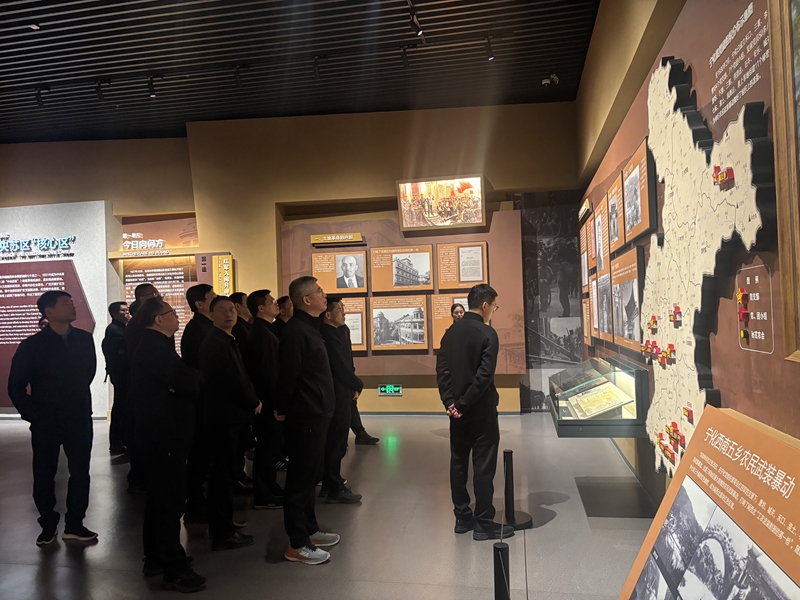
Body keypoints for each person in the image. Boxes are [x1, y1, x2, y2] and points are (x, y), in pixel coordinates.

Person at [8, 290, 98, 545]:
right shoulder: (32, 345)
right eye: (65, 303)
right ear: (49, 311)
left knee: (80, 472)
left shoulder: (84, 339)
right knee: (44, 473)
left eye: (72, 302)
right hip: (46, 419)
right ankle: (48, 524)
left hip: (78, 417)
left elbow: (88, 374)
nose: (72, 306)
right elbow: (16, 386)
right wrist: (34, 415)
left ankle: (75, 524)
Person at [131, 298, 206, 593]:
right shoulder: (154, 348)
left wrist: (187, 381)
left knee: (160, 498)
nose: (176, 316)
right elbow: (190, 384)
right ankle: (174, 569)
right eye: (171, 312)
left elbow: (186, 380)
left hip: (163, 433)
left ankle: (156, 557)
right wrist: (188, 382)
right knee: (169, 501)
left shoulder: (159, 346)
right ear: (158, 319)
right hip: (165, 435)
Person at [436, 283, 514, 541]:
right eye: (494, 307)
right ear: (485, 305)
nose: (493, 311)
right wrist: (464, 404)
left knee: (458, 464)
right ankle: (483, 523)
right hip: (480, 411)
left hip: (456, 413)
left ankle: (462, 518)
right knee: (483, 468)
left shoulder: (450, 333)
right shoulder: (487, 333)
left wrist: (451, 403)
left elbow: (442, 371)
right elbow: (483, 376)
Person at [276, 276, 340, 565]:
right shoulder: (296, 331)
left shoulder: (309, 327)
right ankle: (297, 543)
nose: (324, 295)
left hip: (318, 412)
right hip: (306, 414)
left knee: (311, 476)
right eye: (319, 291)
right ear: (306, 300)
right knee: (300, 479)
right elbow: (288, 375)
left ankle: (310, 530)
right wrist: (283, 408)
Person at [198, 296, 261, 550]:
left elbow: (241, 375)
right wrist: (252, 400)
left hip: (231, 416)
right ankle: (222, 531)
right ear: (211, 315)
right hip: (223, 418)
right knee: (222, 475)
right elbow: (231, 380)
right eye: (222, 310)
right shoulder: (214, 343)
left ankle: (225, 523)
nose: (229, 314)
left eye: (232, 309)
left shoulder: (227, 339)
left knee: (227, 473)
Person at [244, 289, 285, 509]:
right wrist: (277, 404)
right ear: (261, 308)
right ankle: (264, 494)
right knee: (267, 448)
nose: (276, 304)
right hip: (268, 402)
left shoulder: (266, 330)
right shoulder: (261, 334)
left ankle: (270, 487)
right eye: (271, 301)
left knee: (271, 447)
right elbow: (269, 373)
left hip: (268, 400)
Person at [319, 297, 362, 503]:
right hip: (336, 393)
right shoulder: (328, 335)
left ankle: (330, 483)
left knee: (337, 441)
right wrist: (357, 384)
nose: (344, 313)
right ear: (328, 315)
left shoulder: (339, 332)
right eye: (340, 309)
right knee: (336, 442)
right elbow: (339, 366)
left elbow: (347, 362)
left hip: (341, 391)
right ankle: (333, 487)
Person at [181, 283, 216, 522]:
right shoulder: (198, 330)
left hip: (208, 398)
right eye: (212, 297)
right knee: (200, 454)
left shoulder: (207, 327)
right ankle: (195, 504)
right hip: (204, 400)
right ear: (200, 304)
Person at [124, 282, 161, 492]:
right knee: (143, 433)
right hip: (145, 386)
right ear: (142, 299)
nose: (158, 296)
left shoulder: (143, 321)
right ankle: (139, 476)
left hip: (148, 384)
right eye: (153, 294)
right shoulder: (139, 324)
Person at [102, 301, 130, 456]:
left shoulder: (122, 328)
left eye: (127, 310)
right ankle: (117, 442)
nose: (127, 313)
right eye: (123, 311)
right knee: (120, 406)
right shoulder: (113, 330)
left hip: (123, 373)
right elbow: (121, 352)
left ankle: (122, 440)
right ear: (114, 313)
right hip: (121, 374)